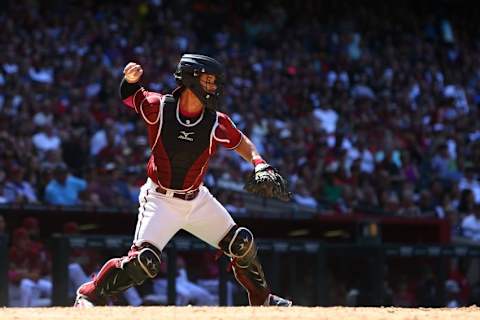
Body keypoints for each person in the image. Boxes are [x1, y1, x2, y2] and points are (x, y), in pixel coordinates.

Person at [74, 54, 292, 307]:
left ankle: (263, 300)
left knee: (242, 242)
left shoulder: (216, 121)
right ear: (190, 77)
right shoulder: (159, 107)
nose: (214, 87)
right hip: (159, 199)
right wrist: (130, 80)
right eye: (209, 80)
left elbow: (241, 141)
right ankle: (89, 294)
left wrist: (259, 163)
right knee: (144, 262)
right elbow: (130, 96)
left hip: (197, 198)